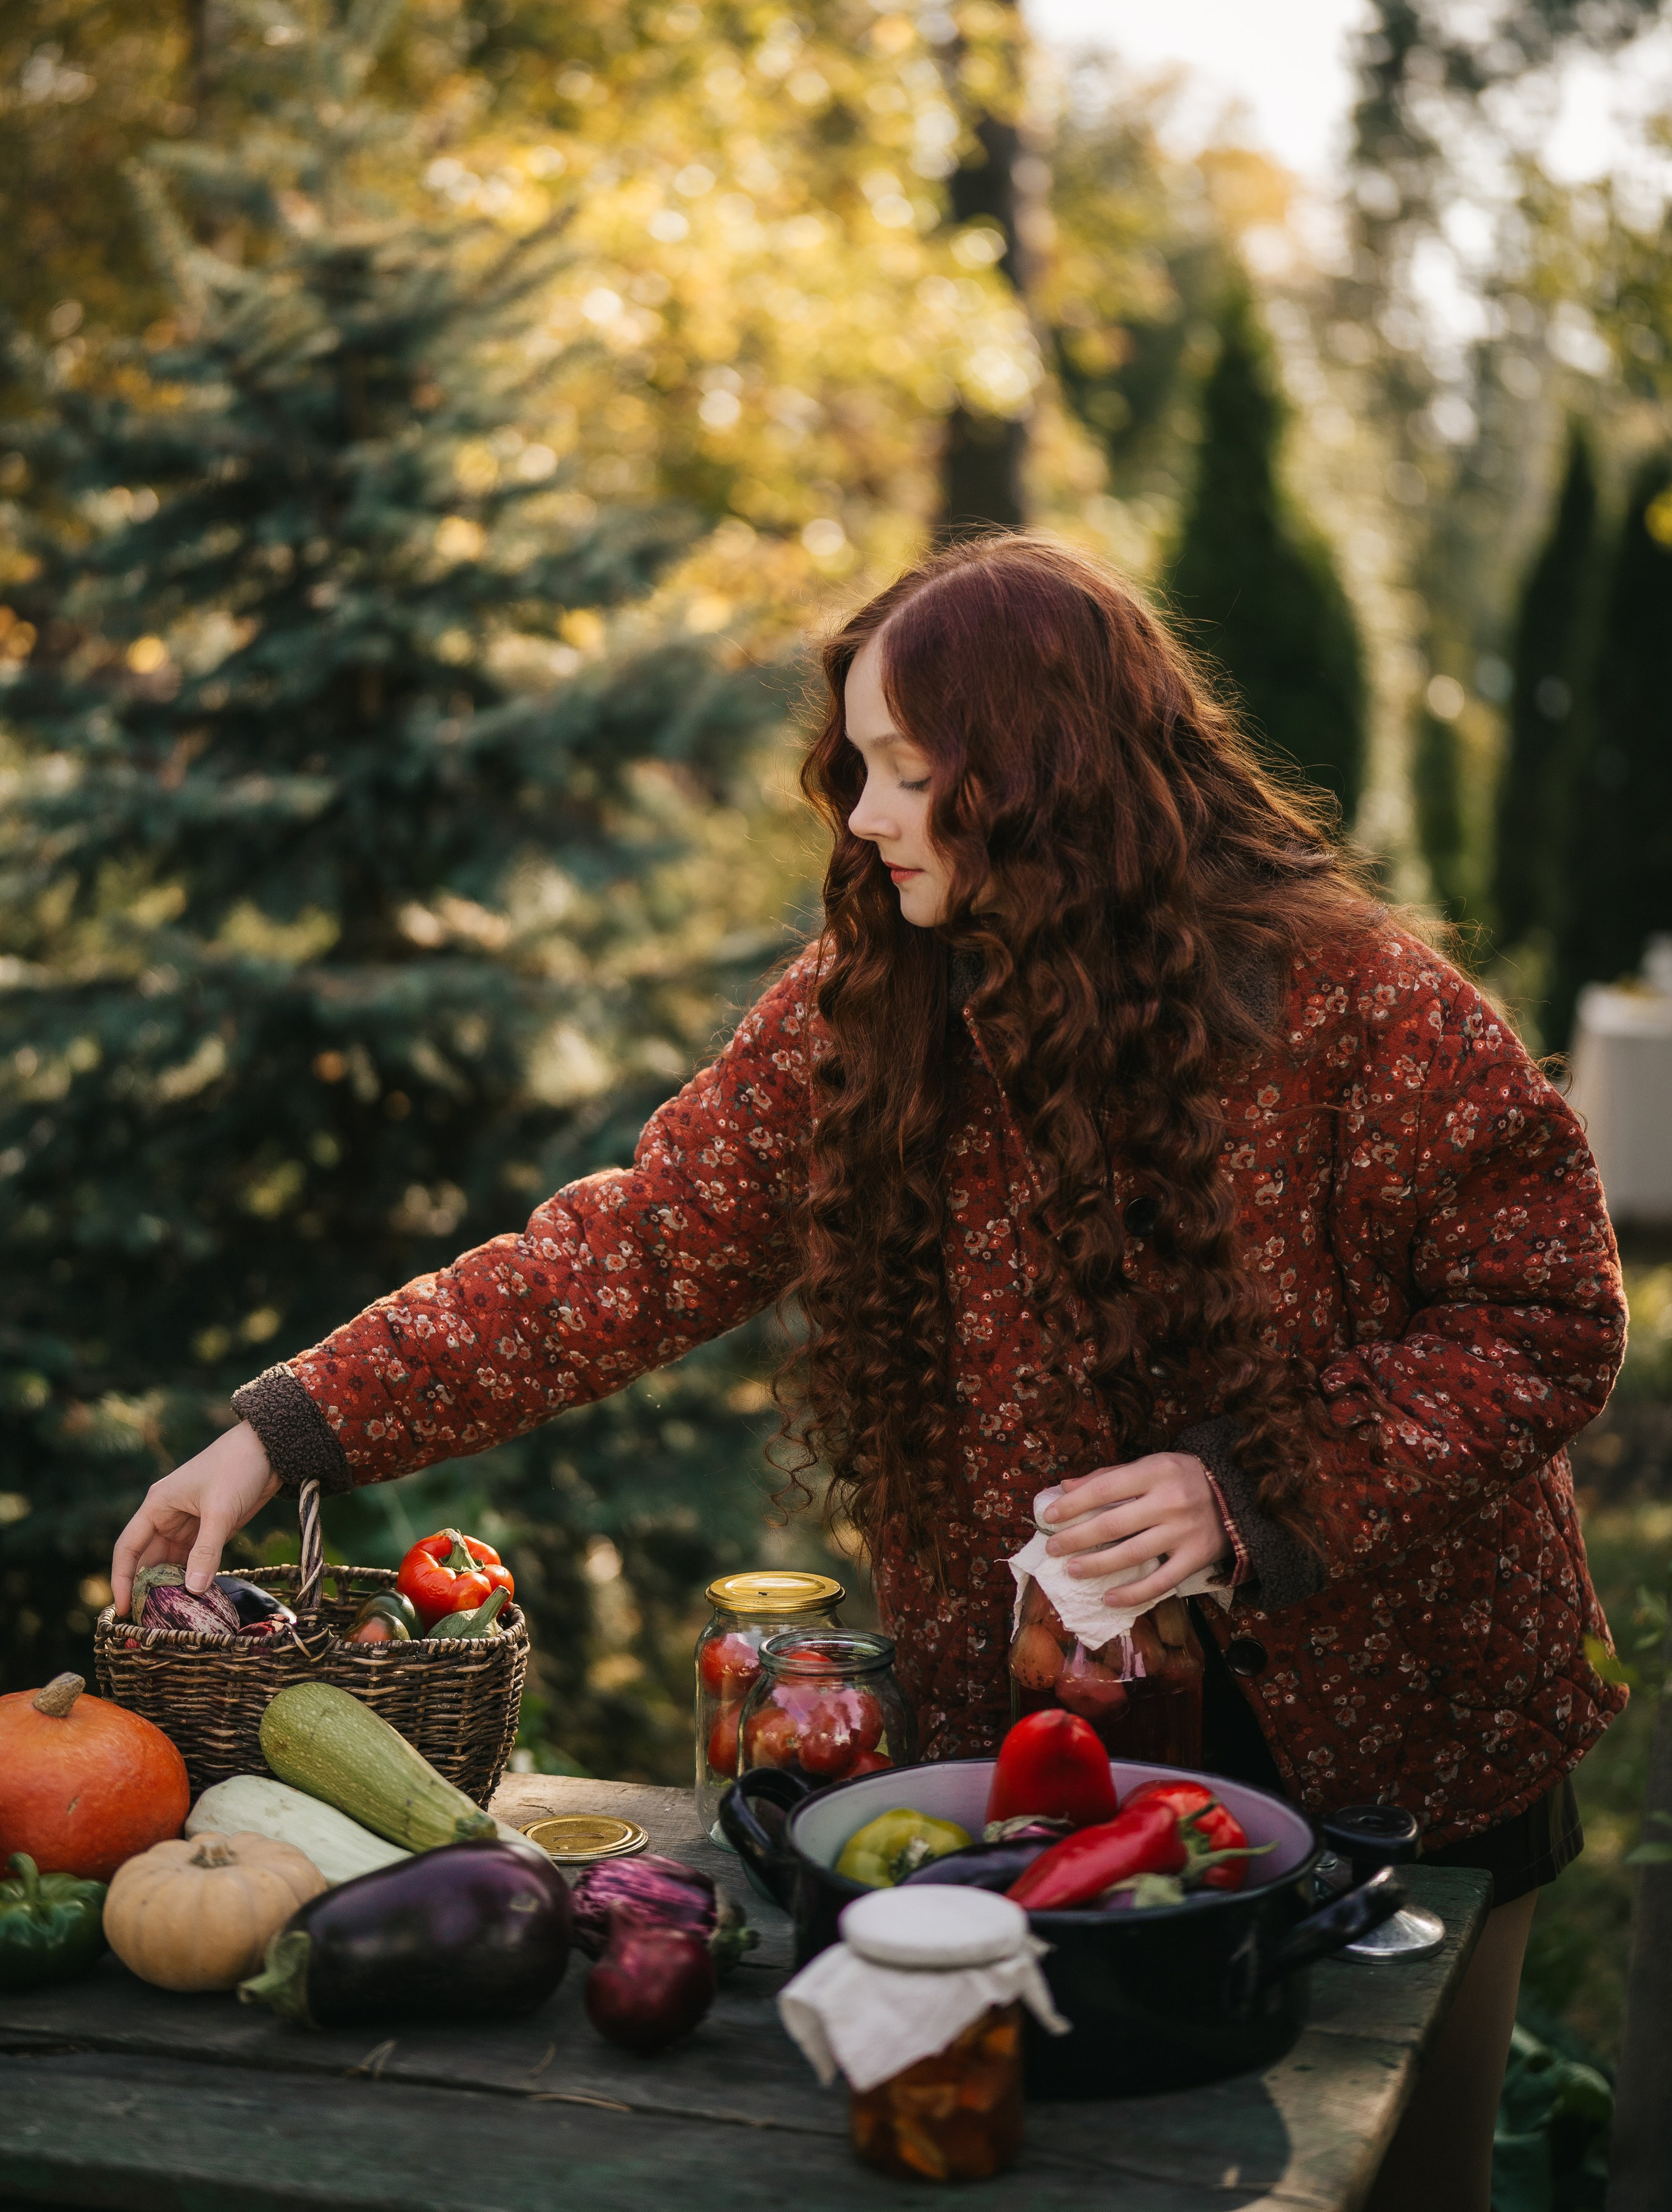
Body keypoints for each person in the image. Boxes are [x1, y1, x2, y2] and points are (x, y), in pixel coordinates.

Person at [114, 535, 1624, 2212]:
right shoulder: (869, 1002)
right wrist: (292, 1427)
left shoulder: (1354, 1000)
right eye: (854, 769)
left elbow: (1542, 1312)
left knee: (1407, 2179)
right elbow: (630, 1250)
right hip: (1035, 1759)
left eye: (908, 771)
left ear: (1042, 771)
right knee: (1064, 2170)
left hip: (1409, 1741)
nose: (863, 816)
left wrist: (1247, 1489)